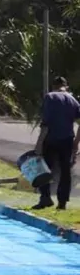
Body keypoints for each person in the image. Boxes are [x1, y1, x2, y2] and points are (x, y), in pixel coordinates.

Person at [32, 76, 80, 210]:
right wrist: (76, 143)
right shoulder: (73, 100)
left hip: (51, 139)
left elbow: (46, 124)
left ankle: (45, 198)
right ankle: (62, 202)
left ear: (53, 86)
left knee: (44, 169)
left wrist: (39, 144)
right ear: (66, 87)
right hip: (67, 140)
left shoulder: (50, 97)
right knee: (65, 171)